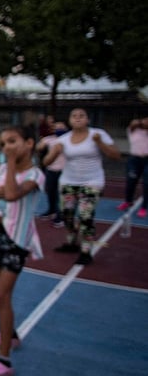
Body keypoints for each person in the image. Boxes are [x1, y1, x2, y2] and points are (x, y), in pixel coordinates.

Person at [0, 126, 45, 376]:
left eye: (12, 141)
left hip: (16, 240)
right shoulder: (3, 170)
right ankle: (10, 335)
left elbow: (13, 195)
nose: (6, 147)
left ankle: (4, 359)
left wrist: (10, 172)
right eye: (4, 143)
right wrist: (0, 189)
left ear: (29, 143)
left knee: (2, 294)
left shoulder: (36, 174)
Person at [43, 108, 121, 265]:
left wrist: (99, 142)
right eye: (74, 116)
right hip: (68, 182)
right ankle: (72, 242)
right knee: (67, 216)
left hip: (92, 182)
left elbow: (116, 155)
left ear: (88, 120)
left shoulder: (97, 134)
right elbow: (46, 162)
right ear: (70, 121)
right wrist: (54, 152)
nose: (78, 118)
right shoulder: (63, 140)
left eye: (81, 115)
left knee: (86, 217)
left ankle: (86, 251)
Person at [35, 120, 68, 226]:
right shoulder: (48, 139)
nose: (58, 129)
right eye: (56, 127)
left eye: (61, 127)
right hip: (51, 170)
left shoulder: (69, 139)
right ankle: (51, 210)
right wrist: (41, 145)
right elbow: (39, 147)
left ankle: (61, 215)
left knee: (61, 195)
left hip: (64, 171)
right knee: (50, 192)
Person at [118, 117, 148, 218]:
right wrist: (140, 121)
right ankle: (128, 201)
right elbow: (133, 123)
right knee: (131, 181)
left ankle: (144, 207)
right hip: (134, 159)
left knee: (146, 184)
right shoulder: (132, 130)